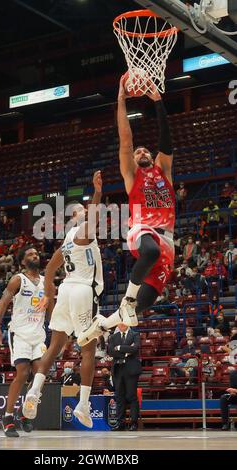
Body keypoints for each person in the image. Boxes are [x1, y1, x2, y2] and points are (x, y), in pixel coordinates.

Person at [77, 77, 175, 346]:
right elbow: (126, 140)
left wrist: (157, 101)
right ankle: (128, 300)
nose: (141, 151)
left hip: (168, 239)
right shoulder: (132, 175)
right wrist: (121, 100)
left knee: (146, 303)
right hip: (141, 231)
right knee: (150, 254)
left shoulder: (163, 170)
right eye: (137, 152)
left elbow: (166, 140)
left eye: (145, 150)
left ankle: (102, 325)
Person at [21, 171, 103, 429]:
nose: (84, 212)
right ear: (77, 217)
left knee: (55, 347)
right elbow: (96, 213)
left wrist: (49, 296)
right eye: (81, 211)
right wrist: (98, 192)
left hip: (65, 290)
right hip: (81, 291)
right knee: (88, 349)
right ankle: (83, 404)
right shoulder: (82, 232)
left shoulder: (65, 242)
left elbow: (48, 273)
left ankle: (34, 391)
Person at [0, 245, 52, 437]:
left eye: (36, 253)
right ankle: (8, 417)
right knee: (23, 373)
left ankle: (25, 412)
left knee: (41, 373)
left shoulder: (46, 282)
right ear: (23, 261)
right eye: (30, 254)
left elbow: (51, 310)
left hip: (39, 334)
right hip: (20, 334)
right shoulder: (18, 280)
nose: (35, 255)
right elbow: (3, 302)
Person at [107, 324, 141, 431]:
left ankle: (134, 423)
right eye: (119, 322)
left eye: (124, 322)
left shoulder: (135, 334)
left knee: (132, 396)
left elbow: (135, 349)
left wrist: (119, 348)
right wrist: (126, 351)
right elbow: (111, 351)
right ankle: (120, 423)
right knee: (119, 397)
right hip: (118, 369)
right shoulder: (113, 337)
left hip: (131, 369)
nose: (121, 324)